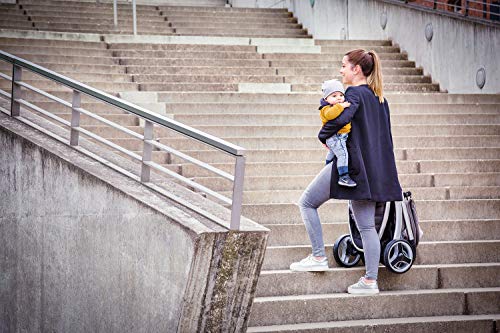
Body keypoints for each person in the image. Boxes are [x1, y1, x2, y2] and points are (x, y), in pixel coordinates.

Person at [289, 49, 403, 295]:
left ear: (357, 69)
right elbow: (387, 140)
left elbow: (340, 119)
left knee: (307, 202)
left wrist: (322, 136)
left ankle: (319, 256)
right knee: (366, 227)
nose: (341, 71)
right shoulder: (380, 97)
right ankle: (370, 281)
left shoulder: (353, 94)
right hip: (374, 171)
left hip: (352, 167)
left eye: (344, 66)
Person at [319, 79, 356, 187]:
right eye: (334, 96)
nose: (339, 98)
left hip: (340, 137)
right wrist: (341, 106)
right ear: (326, 99)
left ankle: (327, 167)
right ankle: (343, 177)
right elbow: (331, 115)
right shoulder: (325, 109)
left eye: (341, 95)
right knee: (343, 154)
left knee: (333, 153)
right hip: (336, 137)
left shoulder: (336, 106)